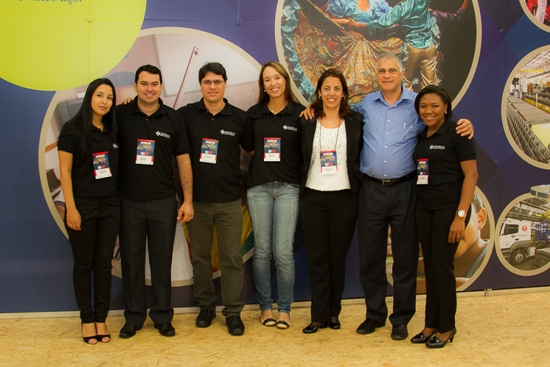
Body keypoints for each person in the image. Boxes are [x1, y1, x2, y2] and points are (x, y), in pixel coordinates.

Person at [354, 53, 472, 341]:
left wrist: (465, 123)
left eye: (392, 70)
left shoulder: (419, 104)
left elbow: (442, 125)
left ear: (402, 73)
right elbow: (334, 119)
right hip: (370, 189)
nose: (386, 75)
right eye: (381, 70)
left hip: (407, 189)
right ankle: (374, 315)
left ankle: (401, 318)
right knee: (370, 257)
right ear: (376, 73)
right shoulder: (364, 105)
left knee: (405, 258)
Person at [117, 64, 194, 339]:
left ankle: (162, 316)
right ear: (136, 86)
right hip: (128, 202)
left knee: (161, 263)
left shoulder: (173, 119)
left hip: (163, 202)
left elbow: (183, 160)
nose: (149, 89)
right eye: (144, 83)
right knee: (132, 262)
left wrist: (187, 199)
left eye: (154, 84)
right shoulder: (120, 115)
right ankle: (134, 317)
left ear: (161, 86)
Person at [178, 62, 253, 336]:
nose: (212, 86)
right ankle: (206, 307)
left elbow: (256, 151)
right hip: (196, 202)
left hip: (230, 202)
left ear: (225, 84)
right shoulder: (185, 115)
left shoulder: (239, 118)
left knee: (232, 258)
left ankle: (233, 312)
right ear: (201, 85)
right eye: (207, 82)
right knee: (200, 259)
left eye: (217, 81)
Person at [411, 85, 478, 348]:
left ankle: (447, 327)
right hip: (424, 208)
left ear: (446, 108)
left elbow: (471, 176)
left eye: (434, 106)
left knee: (442, 268)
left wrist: (460, 216)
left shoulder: (459, 132)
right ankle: (430, 324)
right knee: (430, 267)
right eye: (424, 106)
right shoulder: (423, 135)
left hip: (449, 210)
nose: (428, 111)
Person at [299, 68, 363, 334]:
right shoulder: (307, 120)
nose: (332, 93)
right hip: (313, 196)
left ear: (344, 92)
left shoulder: (356, 120)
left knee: (337, 259)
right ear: (319, 91)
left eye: (337, 88)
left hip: (345, 197)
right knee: (317, 258)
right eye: (327, 88)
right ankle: (318, 315)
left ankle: (333, 313)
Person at [58, 78, 119, 344]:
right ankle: (86, 319)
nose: (105, 101)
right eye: (100, 96)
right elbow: (65, 172)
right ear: (89, 98)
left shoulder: (112, 128)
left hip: (110, 207)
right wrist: (70, 208)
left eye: (109, 97)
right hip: (82, 206)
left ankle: (101, 318)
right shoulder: (72, 130)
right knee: (84, 265)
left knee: (104, 265)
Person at [246, 61, 304, 329]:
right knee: (262, 251)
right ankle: (265, 307)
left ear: (285, 80)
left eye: (277, 77)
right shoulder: (254, 114)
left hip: (288, 189)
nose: (273, 83)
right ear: (263, 85)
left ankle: (284, 309)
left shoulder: (300, 114)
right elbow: (249, 148)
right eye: (267, 79)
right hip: (258, 187)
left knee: (283, 252)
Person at [366, 0, 440, 91]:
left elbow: (383, 23)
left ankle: (408, 104)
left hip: (413, 47)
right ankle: (431, 102)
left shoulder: (402, 7)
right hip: (429, 46)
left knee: (406, 81)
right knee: (430, 82)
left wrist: (361, 26)